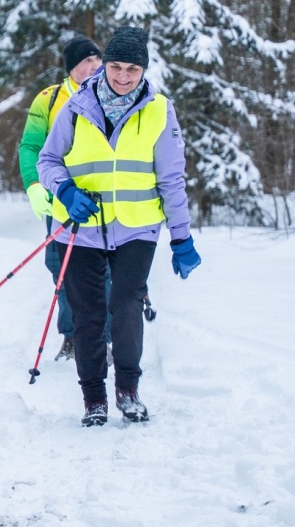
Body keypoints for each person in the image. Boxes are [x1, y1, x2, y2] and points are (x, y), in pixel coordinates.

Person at [37, 25, 201, 427]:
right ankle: (94, 398)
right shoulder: (76, 106)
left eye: (132, 69)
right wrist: (65, 191)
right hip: (81, 229)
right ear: (104, 65)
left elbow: (171, 179)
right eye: (116, 67)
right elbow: (47, 161)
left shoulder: (159, 110)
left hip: (137, 228)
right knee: (88, 314)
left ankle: (128, 391)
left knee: (127, 307)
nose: (123, 77)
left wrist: (181, 237)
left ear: (143, 70)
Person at [17, 34, 104, 361]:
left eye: (98, 59)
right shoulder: (49, 99)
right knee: (61, 268)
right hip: (61, 200)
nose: (95, 65)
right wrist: (34, 185)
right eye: (87, 60)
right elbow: (31, 145)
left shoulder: (113, 94)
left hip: (102, 202)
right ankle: (71, 336)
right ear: (72, 67)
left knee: (103, 273)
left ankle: (104, 341)